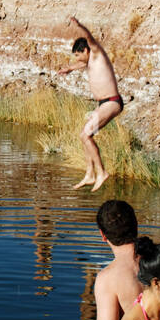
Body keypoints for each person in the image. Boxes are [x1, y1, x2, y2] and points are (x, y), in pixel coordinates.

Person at [59, 17, 122, 191]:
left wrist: (79, 26)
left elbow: (88, 37)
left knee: (85, 135)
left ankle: (101, 172)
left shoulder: (96, 51)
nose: (79, 59)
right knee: (85, 136)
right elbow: (80, 64)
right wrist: (69, 69)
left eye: (79, 55)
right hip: (104, 103)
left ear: (86, 50)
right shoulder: (90, 60)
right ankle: (90, 174)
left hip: (111, 102)